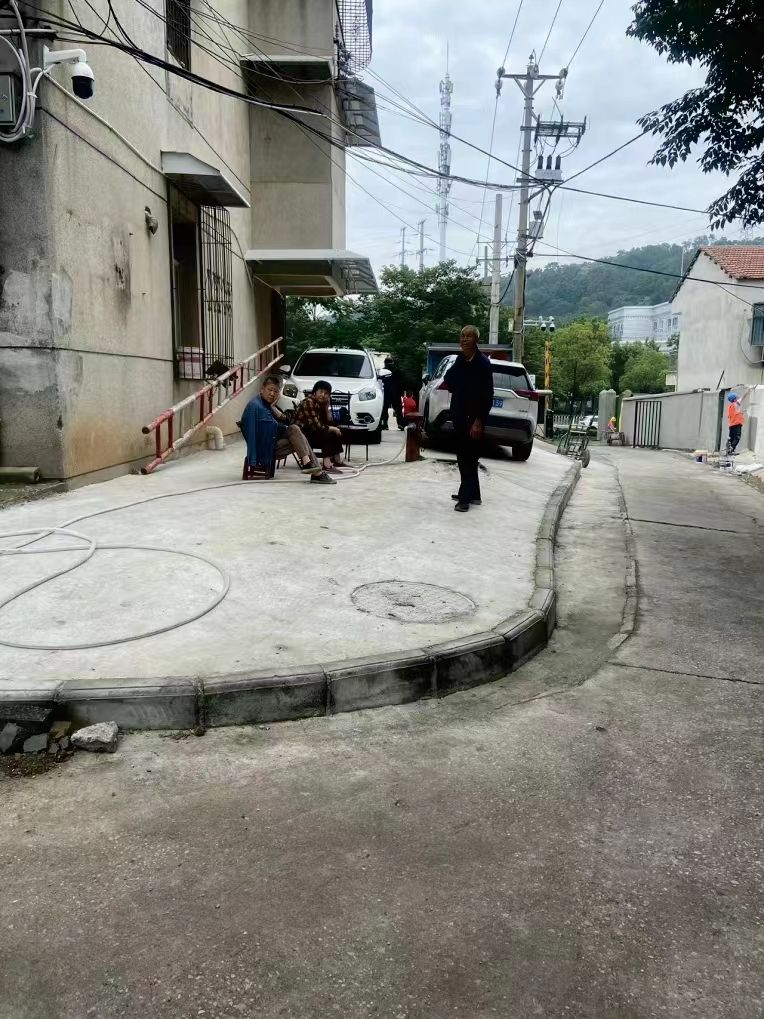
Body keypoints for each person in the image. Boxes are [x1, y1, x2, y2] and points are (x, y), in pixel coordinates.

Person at [240, 375, 336, 484]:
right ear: (262, 389)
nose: (272, 394)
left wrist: (275, 411)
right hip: (265, 450)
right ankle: (315, 471)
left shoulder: (265, 405)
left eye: (276, 391)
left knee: (296, 431)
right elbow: (258, 433)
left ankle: (310, 466)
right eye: (270, 390)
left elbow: (280, 425)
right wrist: (253, 459)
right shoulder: (256, 406)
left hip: (271, 443)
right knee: (297, 433)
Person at [443, 325, 494, 513]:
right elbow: (449, 379)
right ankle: (474, 495)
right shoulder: (460, 360)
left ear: (476, 340)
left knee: (468, 457)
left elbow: (487, 395)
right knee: (464, 456)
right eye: (462, 336)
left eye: (468, 336)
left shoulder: (482, 364)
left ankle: (464, 499)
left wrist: (479, 421)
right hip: (459, 414)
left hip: (474, 418)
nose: (464, 339)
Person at [295, 380, 351, 473]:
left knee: (334, 428)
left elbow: (328, 422)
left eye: (326, 393)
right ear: (315, 392)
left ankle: (336, 460)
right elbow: (317, 426)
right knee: (327, 432)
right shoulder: (309, 402)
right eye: (321, 392)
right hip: (301, 435)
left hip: (312, 432)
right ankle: (327, 465)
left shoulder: (320, 403)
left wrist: (326, 408)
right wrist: (332, 429)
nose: (323, 395)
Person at [382, 356, 405, 430]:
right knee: (398, 409)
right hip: (396, 392)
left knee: (384, 409)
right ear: (392, 363)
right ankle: (400, 424)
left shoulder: (382, 371)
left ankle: (385, 424)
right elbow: (401, 382)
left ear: (385, 363)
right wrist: (401, 393)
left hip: (386, 392)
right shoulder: (397, 371)